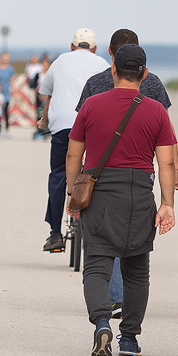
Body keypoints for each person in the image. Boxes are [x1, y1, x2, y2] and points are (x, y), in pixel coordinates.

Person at [66, 44, 177, 356]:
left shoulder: (91, 105)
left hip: (100, 192)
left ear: (112, 69)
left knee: (97, 267)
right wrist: (167, 203)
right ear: (143, 73)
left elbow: (74, 153)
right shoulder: (156, 110)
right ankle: (129, 338)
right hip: (139, 194)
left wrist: (72, 194)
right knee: (137, 269)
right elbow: (166, 163)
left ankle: (102, 321)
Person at [37, 29, 109, 252]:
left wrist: (45, 121)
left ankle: (56, 234)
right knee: (96, 174)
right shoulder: (103, 64)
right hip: (94, 125)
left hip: (63, 125)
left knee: (58, 173)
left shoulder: (60, 61)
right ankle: (99, 233)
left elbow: (47, 94)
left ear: (72, 46)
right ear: (95, 48)